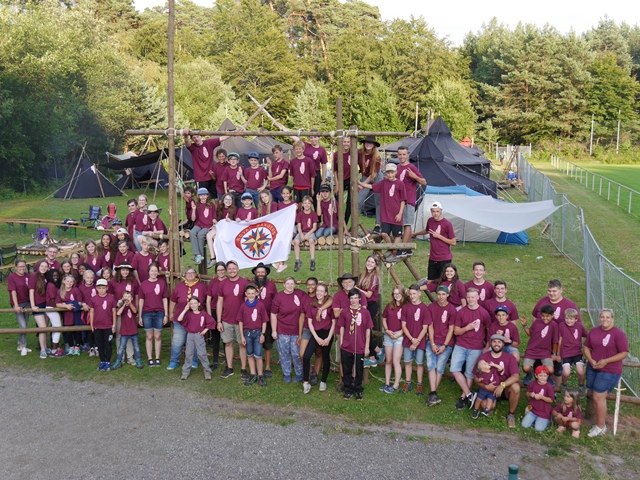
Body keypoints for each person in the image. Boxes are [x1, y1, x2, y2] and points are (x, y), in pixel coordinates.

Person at [584, 308, 629, 437]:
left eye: (608, 317)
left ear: (612, 319)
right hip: (593, 367)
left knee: (598, 397)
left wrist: (606, 361)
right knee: (593, 395)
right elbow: (586, 346)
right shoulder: (594, 331)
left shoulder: (619, 334)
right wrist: (590, 360)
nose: (605, 319)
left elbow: (624, 353)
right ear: (599, 318)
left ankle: (600, 427)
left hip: (610, 370)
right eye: (602, 317)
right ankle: (595, 420)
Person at [451, 288, 491, 409]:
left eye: (473, 297)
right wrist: (467, 328)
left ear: (478, 297)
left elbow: (489, 331)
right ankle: (469, 394)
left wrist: (486, 346)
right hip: (460, 345)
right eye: (468, 297)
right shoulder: (461, 312)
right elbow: (456, 331)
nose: (470, 299)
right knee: (454, 369)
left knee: (469, 373)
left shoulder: (484, 313)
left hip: (475, 347)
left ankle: (463, 396)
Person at [359, 163, 406, 258]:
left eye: (392, 172)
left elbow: (403, 200)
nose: (390, 175)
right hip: (385, 214)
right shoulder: (383, 183)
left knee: (397, 235)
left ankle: (394, 252)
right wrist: (361, 184)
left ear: (396, 172)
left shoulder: (400, 184)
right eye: (388, 173)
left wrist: (400, 213)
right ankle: (392, 248)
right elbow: (372, 186)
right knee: (384, 233)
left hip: (396, 214)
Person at [474, 334, 521, 428]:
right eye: (494, 341)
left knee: (516, 387)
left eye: (499, 342)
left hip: (504, 389)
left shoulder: (510, 358)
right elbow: (475, 377)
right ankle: (490, 406)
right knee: (485, 406)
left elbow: (516, 376)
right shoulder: (483, 357)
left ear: (503, 344)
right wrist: (485, 386)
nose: (496, 344)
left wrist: (502, 385)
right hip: (489, 389)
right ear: (490, 343)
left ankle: (511, 414)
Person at [167, 267, 207, 371]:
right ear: (185, 275)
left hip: (195, 321)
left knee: (194, 341)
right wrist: (171, 313)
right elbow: (172, 301)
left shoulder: (202, 286)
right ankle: (174, 361)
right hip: (181, 319)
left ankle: (194, 360)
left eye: (192, 272)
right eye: (188, 273)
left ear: (196, 274)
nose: (190, 274)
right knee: (177, 341)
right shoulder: (180, 286)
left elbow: (206, 301)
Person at [216, 260, 249, 379]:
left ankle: (243, 369)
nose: (232, 271)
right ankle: (229, 368)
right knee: (228, 343)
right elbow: (220, 302)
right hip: (226, 319)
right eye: (229, 269)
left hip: (241, 321)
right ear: (227, 270)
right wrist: (219, 321)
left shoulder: (244, 282)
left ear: (238, 269)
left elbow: (248, 301)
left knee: (242, 344)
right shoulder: (223, 283)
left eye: (234, 268)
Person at [338, 289, 373, 401]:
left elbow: (368, 330)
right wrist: (342, 342)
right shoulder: (345, 312)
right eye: (351, 298)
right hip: (347, 345)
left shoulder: (365, 313)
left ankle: (358, 389)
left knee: (358, 369)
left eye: (356, 298)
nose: (353, 300)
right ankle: (348, 389)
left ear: (359, 299)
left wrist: (367, 346)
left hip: (360, 345)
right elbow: (342, 327)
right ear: (349, 299)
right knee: (347, 368)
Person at [425, 285, 457, 406]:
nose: (441, 296)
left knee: (440, 367)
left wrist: (444, 345)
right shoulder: (431, 307)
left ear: (447, 295)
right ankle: (433, 393)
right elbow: (430, 327)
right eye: (439, 294)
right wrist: (432, 343)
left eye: (443, 294)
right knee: (431, 365)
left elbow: (451, 329)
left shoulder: (452, 309)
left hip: (446, 343)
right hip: (432, 341)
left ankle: (432, 393)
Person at [271, 277, 306, 382]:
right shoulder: (279, 297)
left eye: (292, 284)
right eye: (288, 284)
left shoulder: (300, 294)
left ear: (295, 285)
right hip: (282, 329)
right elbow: (273, 314)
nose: (290, 286)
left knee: (296, 353)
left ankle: (299, 373)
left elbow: (311, 299)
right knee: (284, 353)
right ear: (284, 285)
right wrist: (274, 330)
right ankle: (287, 373)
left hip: (296, 330)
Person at [302, 282, 335, 393]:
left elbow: (333, 322)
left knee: (325, 357)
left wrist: (329, 338)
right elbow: (310, 322)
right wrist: (316, 338)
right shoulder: (312, 305)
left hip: (327, 334)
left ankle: (323, 381)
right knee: (306, 356)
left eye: (321, 291)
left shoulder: (329, 305)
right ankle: (306, 382)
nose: (319, 293)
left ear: (325, 293)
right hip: (316, 334)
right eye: (318, 291)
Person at [413, 201, 456, 282]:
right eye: (433, 211)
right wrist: (416, 234)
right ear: (431, 211)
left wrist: (439, 236)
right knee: (430, 281)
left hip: (444, 258)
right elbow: (427, 230)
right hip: (433, 258)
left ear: (441, 211)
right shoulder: (430, 221)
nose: (435, 214)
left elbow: (453, 242)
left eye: (437, 211)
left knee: (444, 282)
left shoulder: (447, 224)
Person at [396, 145, 426, 257]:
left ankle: (403, 247)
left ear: (408, 155)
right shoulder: (397, 167)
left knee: (407, 224)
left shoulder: (411, 167)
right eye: (400, 154)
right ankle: (407, 248)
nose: (402, 156)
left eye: (404, 154)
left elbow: (424, 182)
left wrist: (415, 177)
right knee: (401, 223)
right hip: (398, 201)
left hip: (408, 200)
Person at [183, 127, 230, 197]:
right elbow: (187, 142)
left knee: (215, 197)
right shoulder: (193, 148)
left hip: (211, 176)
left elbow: (222, 138)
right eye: (194, 138)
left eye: (197, 136)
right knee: (201, 197)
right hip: (200, 178)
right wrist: (186, 134)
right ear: (192, 139)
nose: (196, 139)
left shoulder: (209, 143)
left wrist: (235, 132)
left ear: (200, 136)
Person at [176, 296, 215, 381]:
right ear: (189, 305)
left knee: (202, 353)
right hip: (190, 336)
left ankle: (207, 370)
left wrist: (205, 330)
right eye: (191, 304)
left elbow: (212, 321)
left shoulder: (203, 314)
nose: (193, 305)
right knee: (188, 353)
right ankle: (185, 371)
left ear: (199, 304)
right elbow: (179, 319)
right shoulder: (188, 314)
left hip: (199, 336)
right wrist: (185, 310)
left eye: (195, 303)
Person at [400, 284, 430, 395]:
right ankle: (407, 382)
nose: (412, 296)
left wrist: (417, 341)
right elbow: (403, 326)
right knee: (408, 362)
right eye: (411, 294)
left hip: (420, 341)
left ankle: (419, 384)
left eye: (414, 294)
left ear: (419, 293)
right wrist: (412, 339)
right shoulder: (406, 308)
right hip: (409, 340)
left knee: (420, 363)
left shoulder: (425, 308)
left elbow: (425, 328)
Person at [237, 284, 269, 387]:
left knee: (258, 355)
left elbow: (264, 321)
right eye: (249, 293)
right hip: (247, 333)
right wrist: (242, 336)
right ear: (246, 294)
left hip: (258, 333)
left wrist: (263, 334)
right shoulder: (243, 306)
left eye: (253, 293)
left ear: (256, 294)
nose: (251, 295)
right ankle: (252, 374)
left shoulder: (260, 305)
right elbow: (240, 322)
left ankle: (260, 375)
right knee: (250, 355)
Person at [138, 263, 169, 367]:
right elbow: (141, 300)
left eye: (156, 271)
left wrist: (166, 314)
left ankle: (157, 357)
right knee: (149, 336)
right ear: (148, 272)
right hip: (147, 313)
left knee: (158, 336)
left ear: (158, 272)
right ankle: (150, 358)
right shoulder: (144, 284)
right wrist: (140, 315)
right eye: (152, 271)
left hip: (159, 312)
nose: (154, 273)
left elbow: (165, 299)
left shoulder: (162, 283)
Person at [520, 305, 558, 386]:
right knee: (525, 368)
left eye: (547, 316)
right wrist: (525, 325)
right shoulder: (537, 322)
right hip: (532, 350)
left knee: (551, 370)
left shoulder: (554, 325)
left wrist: (554, 354)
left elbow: (555, 341)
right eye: (543, 316)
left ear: (552, 315)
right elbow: (530, 333)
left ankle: (547, 377)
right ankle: (530, 374)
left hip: (545, 351)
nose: (545, 318)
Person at [251, 263, 278, 378]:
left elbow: (275, 301)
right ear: (255, 273)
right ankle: (255, 365)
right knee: (254, 342)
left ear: (266, 273)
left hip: (267, 319)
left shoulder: (271, 285)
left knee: (267, 344)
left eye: (263, 272)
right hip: (253, 319)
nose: (260, 274)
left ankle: (267, 367)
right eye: (258, 272)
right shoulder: (251, 285)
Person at [380, 286, 406, 394]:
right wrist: (386, 330)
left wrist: (401, 333)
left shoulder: (406, 307)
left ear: (403, 294)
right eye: (395, 293)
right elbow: (384, 318)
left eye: (399, 293)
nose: (397, 295)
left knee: (396, 361)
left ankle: (396, 384)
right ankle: (387, 383)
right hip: (389, 335)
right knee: (388, 361)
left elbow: (408, 323)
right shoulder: (389, 305)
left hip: (399, 336)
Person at [557, 308, 588, 397]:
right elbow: (560, 340)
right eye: (567, 318)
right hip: (566, 353)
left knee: (580, 371)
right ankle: (564, 385)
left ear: (576, 319)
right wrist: (558, 354)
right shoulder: (562, 326)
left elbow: (588, 336)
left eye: (571, 319)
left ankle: (581, 386)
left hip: (577, 352)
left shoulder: (579, 326)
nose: (568, 321)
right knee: (566, 372)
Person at [89, 278, 117, 371]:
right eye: (100, 288)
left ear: (107, 288)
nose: (101, 290)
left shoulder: (111, 299)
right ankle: (102, 361)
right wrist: (92, 325)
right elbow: (92, 312)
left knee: (108, 344)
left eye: (103, 288)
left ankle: (108, 361)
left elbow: (114, 312)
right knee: (100, 345)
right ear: (97, 288)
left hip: (108, 326)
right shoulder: (93, 299)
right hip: (97, 326)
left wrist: (114, 325)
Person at [111, 290, 143, 369]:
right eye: (125, 296)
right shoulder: (122, 306)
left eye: (129, 297)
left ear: (132, 298)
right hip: (124, 331)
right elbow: (118, 313)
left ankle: (138, 360)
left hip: (133, 330)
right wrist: (124, 305)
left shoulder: (133, 305)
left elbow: (135, 311)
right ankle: (118, 361)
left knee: (136, 346)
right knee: (121, 347)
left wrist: (130, 304)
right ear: (122, 298)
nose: (127, 298)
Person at [356, 136, 382, 232]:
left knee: (378, 201)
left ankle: (378, 225)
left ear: (374, 145)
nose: (368, 144)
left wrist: (362, 184)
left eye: (371, 143)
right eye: (367, 142)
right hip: (364, 175)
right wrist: (358, 179)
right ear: (364, 143)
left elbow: (373, 174)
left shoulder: (377, 156)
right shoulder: (359, 153)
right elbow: (354, 166)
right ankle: (354, 224)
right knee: (358, 200)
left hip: (376, 176)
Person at [290, 129, 328, 196]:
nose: (313, 139)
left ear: (318, 138)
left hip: (316, 173)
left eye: (315, 137)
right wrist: (280, 127)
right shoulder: (306, 145)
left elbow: (324, 165)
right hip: (305, 174)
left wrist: (324, 180)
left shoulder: (322, 150)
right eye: (311, 137)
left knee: (315, 195)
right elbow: (293, 136)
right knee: (305, 196)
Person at [206, 262, 228, 371]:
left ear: (225, 270)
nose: (221, 272)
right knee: (215, 337)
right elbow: (208, 300)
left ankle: (228, 361)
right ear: (216, 271)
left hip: (226, 312)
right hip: (214, 311)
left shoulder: (229, 281)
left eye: (222, 270)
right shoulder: (213, 283)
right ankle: (215, 361)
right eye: (219, 270)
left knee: (226, 338)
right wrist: (210, 316)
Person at [56, 274, 84, 356]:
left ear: (73, 283)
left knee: (77, 330)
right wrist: (66, 306)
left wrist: (69, 303)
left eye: (71, 282)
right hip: (67, 315)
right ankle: (71, 347)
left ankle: (77, 347)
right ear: (64, 281)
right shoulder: (60, 291)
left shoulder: (76, 290)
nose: (69, 283)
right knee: (68, 331)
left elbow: (79, 302)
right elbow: (57, 304)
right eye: (67, 281)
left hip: (75, 313)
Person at [521, 365, 555, 432]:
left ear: (547, 376)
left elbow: (551, 400)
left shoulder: (549, 386)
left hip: (544, 412)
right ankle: (536, 420)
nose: (543, 378)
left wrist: (541, 397)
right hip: (533, 410)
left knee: (538, 429)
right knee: (524, 425)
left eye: (545, 376)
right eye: (540, 376)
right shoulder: (533, 384)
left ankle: (547, 421)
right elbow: (527, 393)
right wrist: (530, 394)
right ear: (536, 376)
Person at [8, 260, 31, 356]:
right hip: (18, 303)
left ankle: (20, 344)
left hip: (27, 303)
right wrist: (16, 305)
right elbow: (13, 292)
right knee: (23, 325)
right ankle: (24, 346)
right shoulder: (12, 277)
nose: (22, 268)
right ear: (16, 267)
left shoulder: (28, 276)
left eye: (23, 266)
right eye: (20, 266)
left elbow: (31, 290)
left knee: (24, 324)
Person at [190, 187, 216, 266]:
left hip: (207, 226)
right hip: (198, 224)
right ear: (198, 196)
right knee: (192, 232)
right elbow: (193, 219)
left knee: (201, 234)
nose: (203, 197)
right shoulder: (197, 205)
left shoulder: (211, 205)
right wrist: (193, 209)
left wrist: (215, 224)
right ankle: (197, 254)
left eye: (204, 195)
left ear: (207, 195)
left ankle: (200, 255)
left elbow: (213, 218)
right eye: (201, 195)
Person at [333, 137, 355, 226]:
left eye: (348, 142)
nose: (346, 144)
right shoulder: (336, 154)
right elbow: (334, 170)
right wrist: (337, 184)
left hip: (350, 179)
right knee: (337, 202)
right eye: (344, 142)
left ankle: (345, 223)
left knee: (350, 203)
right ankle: (338, 222)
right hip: (340, 179)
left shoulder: (353, 153)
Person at [293, 196, 318, 272]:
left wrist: (307, 235)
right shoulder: (300, 214)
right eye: (305, 203)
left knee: (311, 241)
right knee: (296, 242)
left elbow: (314, 227)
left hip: (310, 232)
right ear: (302, 204)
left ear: (311, 204)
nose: (307, 205)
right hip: (302, 232)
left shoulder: (313, 214)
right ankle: (297, 261)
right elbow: (299, 227)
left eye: (308, 203)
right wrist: (301, 235)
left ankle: (312, 260)